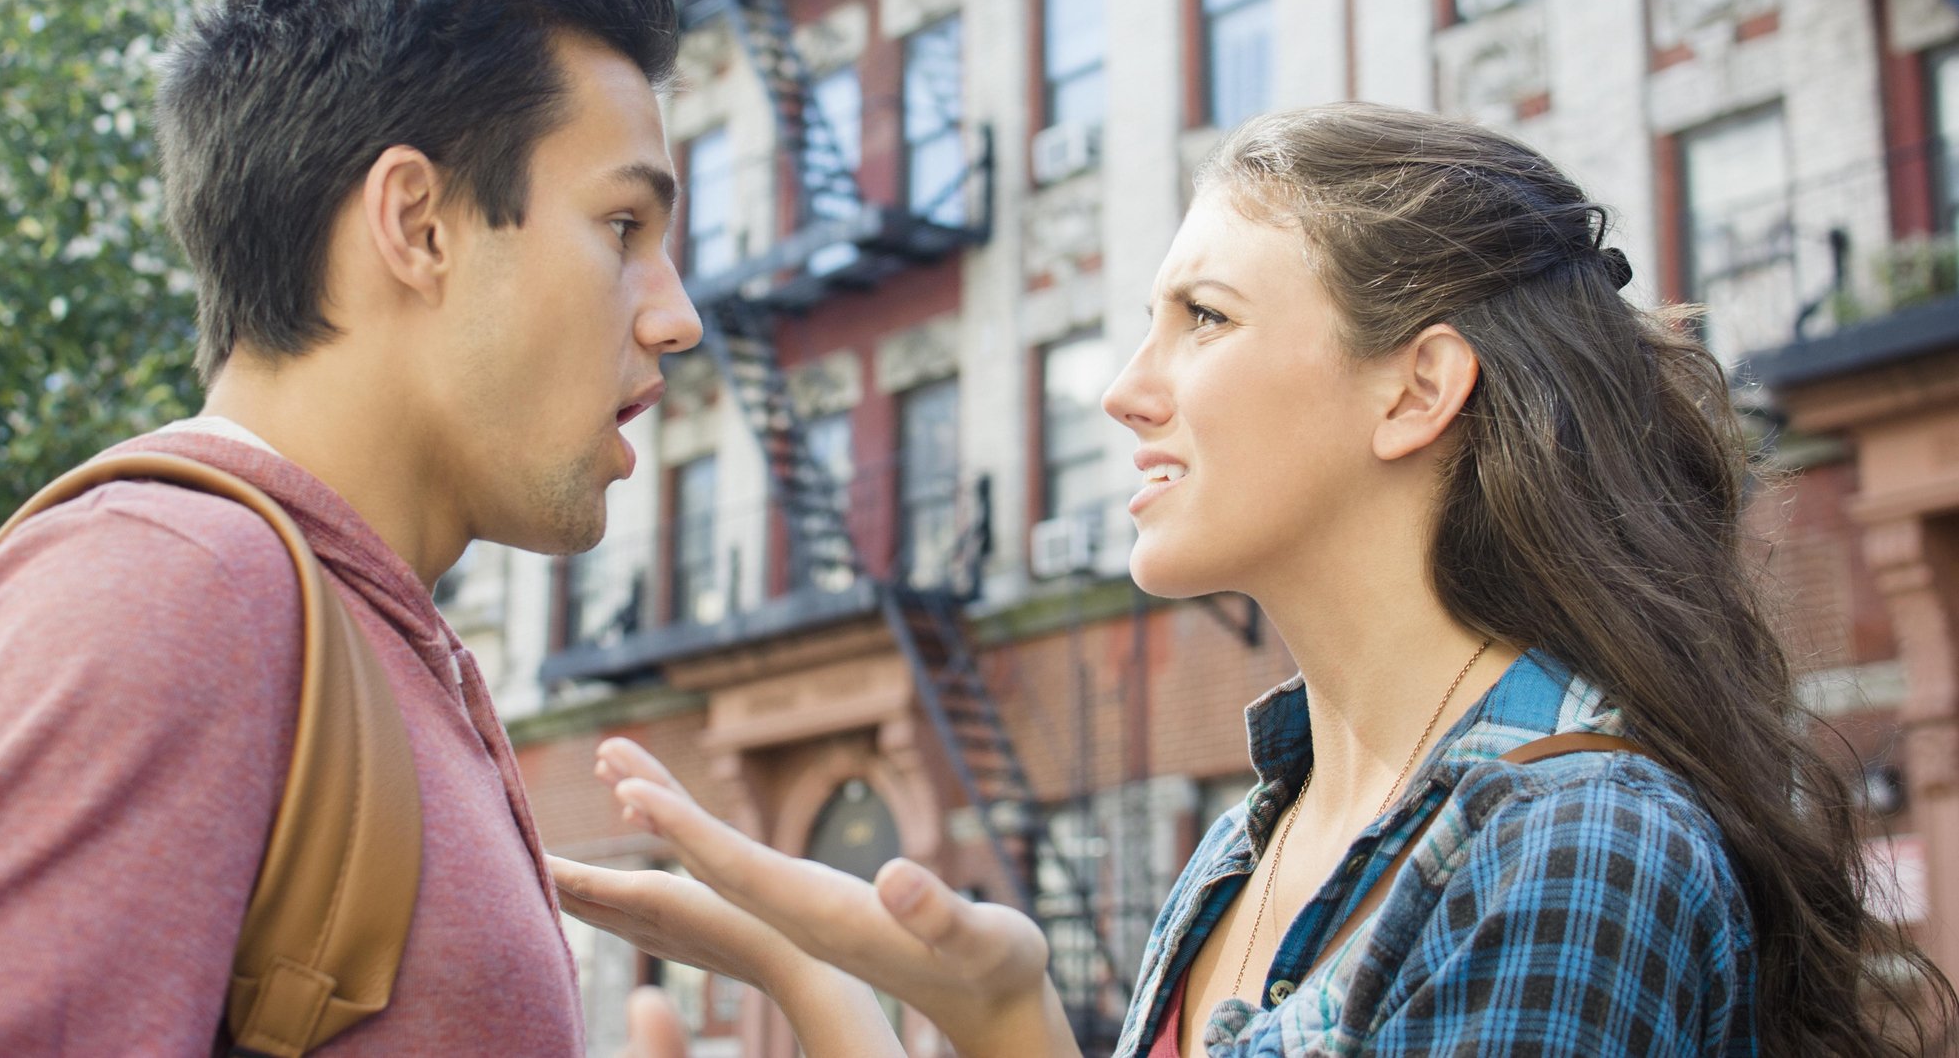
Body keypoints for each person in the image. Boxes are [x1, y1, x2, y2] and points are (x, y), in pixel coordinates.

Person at [556, 104, 1957, 1057]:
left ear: (1417, 388)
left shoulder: (1575, 849)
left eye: (1203, 318)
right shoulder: (1247, 846)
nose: (1120, 392)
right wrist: (997, 1015)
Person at [0, 0, 708, 1054]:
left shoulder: (338, 631)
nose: (676, 315)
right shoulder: (174, 589)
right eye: (623, 225)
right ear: (417, 223)